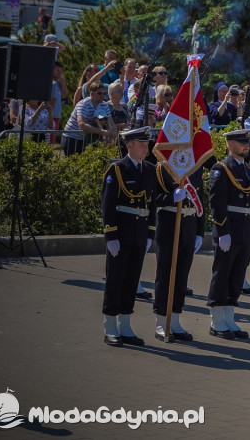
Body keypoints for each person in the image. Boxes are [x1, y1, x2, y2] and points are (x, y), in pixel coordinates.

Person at [101, 126, 159, 347]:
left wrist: (150, 233)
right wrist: (111, 235)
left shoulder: (150, 169)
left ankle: (125, 325)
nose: (146, 148)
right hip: (121, 233)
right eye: (142, 145)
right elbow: (108, 205)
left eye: (147, 145)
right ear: (130, 145)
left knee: (132, 280)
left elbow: (152, 205)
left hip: (140, 233)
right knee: (115, 280)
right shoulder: (117, 170)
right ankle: (110, 326)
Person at [206, 129, 250, 340]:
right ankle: (217, 321)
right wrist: (223, 231)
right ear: (230, 144)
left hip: (246, 230)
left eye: (247, 142)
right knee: (222, 274)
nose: (246, 145)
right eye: (241, 142)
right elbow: (217, 203)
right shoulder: (221, 169)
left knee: (237, 276)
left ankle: (229, 319)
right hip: (229, 230)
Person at [151, 163, 204, 342]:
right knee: (165, 275)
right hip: (169, 225)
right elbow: (152, 198)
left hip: (189, 225)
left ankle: (175, 320)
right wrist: (171, 198)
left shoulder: (195, 167)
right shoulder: (163, 167)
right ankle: (161, 322)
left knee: (181, 277)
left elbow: (200, 198)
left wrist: (199, 231)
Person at [62, 81, 114, 156]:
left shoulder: (104, 105)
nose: (102, 96)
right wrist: (101, 132)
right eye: (99, 93)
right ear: (91, 93)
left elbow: (111, 123)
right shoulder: (83, 104)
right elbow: (82, 124)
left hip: (86, 138)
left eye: (104, 93)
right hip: (72, 137)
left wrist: (112, 133)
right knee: (72, 162)